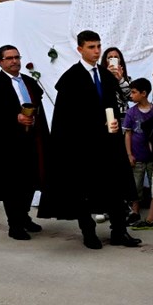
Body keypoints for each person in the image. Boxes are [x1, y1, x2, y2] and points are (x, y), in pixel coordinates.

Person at [38, 30, 141, 249]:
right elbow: (67, 118)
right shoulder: (71, 78)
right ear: (80, 49)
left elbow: (124, 100)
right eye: (91, 47)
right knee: (83, 191)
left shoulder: (104, 74)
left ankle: (119, 232)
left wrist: (119, 80)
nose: (96, 51)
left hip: (110, 143)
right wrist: (96, 125)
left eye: (98, 46)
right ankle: (88, 232)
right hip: (83, 147)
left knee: (115, 188)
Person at [0, 45, 50, 241]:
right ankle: (14, 224)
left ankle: (24, 217)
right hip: (7, 145)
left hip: (32, 140)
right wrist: (13, 119)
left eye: (17, 57)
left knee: (30, 182)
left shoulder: (30, 83)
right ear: (0, 62)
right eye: (9, 58)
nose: (14, 61)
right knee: (13, 186)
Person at [123, 77, 153, 229]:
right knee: (136, 185)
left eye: (133, 92)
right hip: (137, 157)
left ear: (144, 93)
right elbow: (128, 134)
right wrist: (129, 154)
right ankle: (135, 211)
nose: (131, 95)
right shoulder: (131, 113)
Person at [101, 46, 131, 114]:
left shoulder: (127, 79)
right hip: (105, 115)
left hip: (123, 115)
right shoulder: (99, 78)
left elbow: (130, 97)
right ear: (105, 60)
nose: (113, 59)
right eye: (110, 58)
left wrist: (121, 80)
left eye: (116, 57)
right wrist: (106, 76)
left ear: (120, 60)